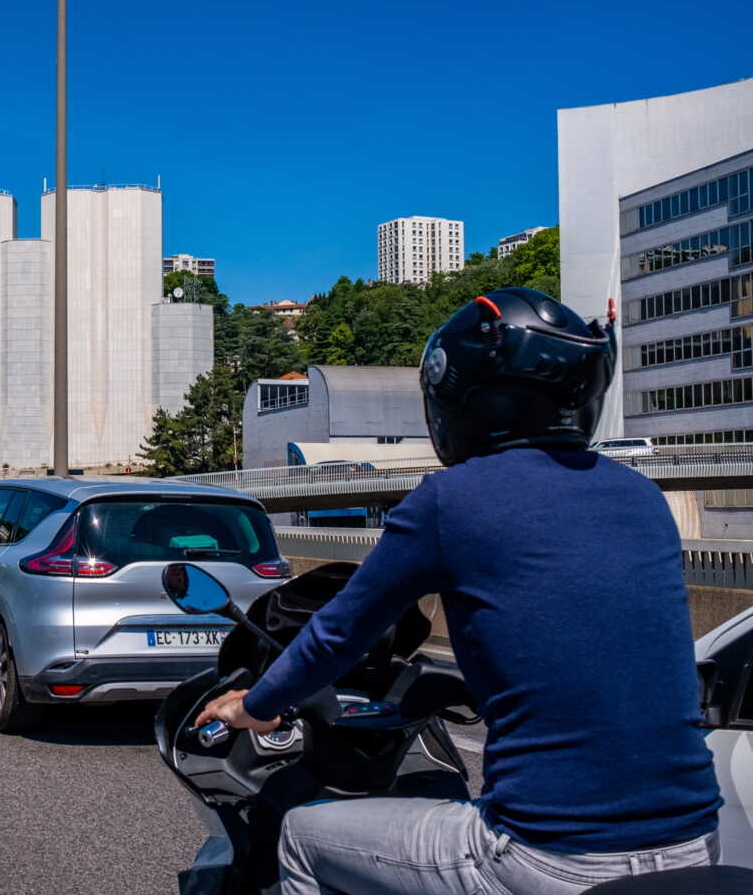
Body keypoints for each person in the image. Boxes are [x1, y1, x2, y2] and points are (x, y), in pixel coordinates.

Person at [194, 288, 721, 894]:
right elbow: (572, 630)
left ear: (458, 394)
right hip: (694, 842)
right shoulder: (641, 499)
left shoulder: (451, 501)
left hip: (549, 854)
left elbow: (339, 633)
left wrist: (254, 705)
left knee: (302, 838)